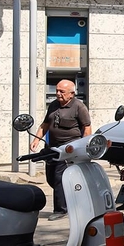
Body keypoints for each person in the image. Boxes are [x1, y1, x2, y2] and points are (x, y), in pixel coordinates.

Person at [30, 80, 92, 221]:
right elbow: (45, 124)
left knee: (59, 178)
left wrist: (83, 147)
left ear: (71, 94)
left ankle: (60, 210)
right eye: (57, 90)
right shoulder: (53, 105)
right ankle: (71, 201)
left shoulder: (79, 107)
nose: (58, 94)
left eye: (61, 92)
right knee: (51, 178)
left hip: (69, 149)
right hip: (52, 147)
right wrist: (36, 140)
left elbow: (87, 128)